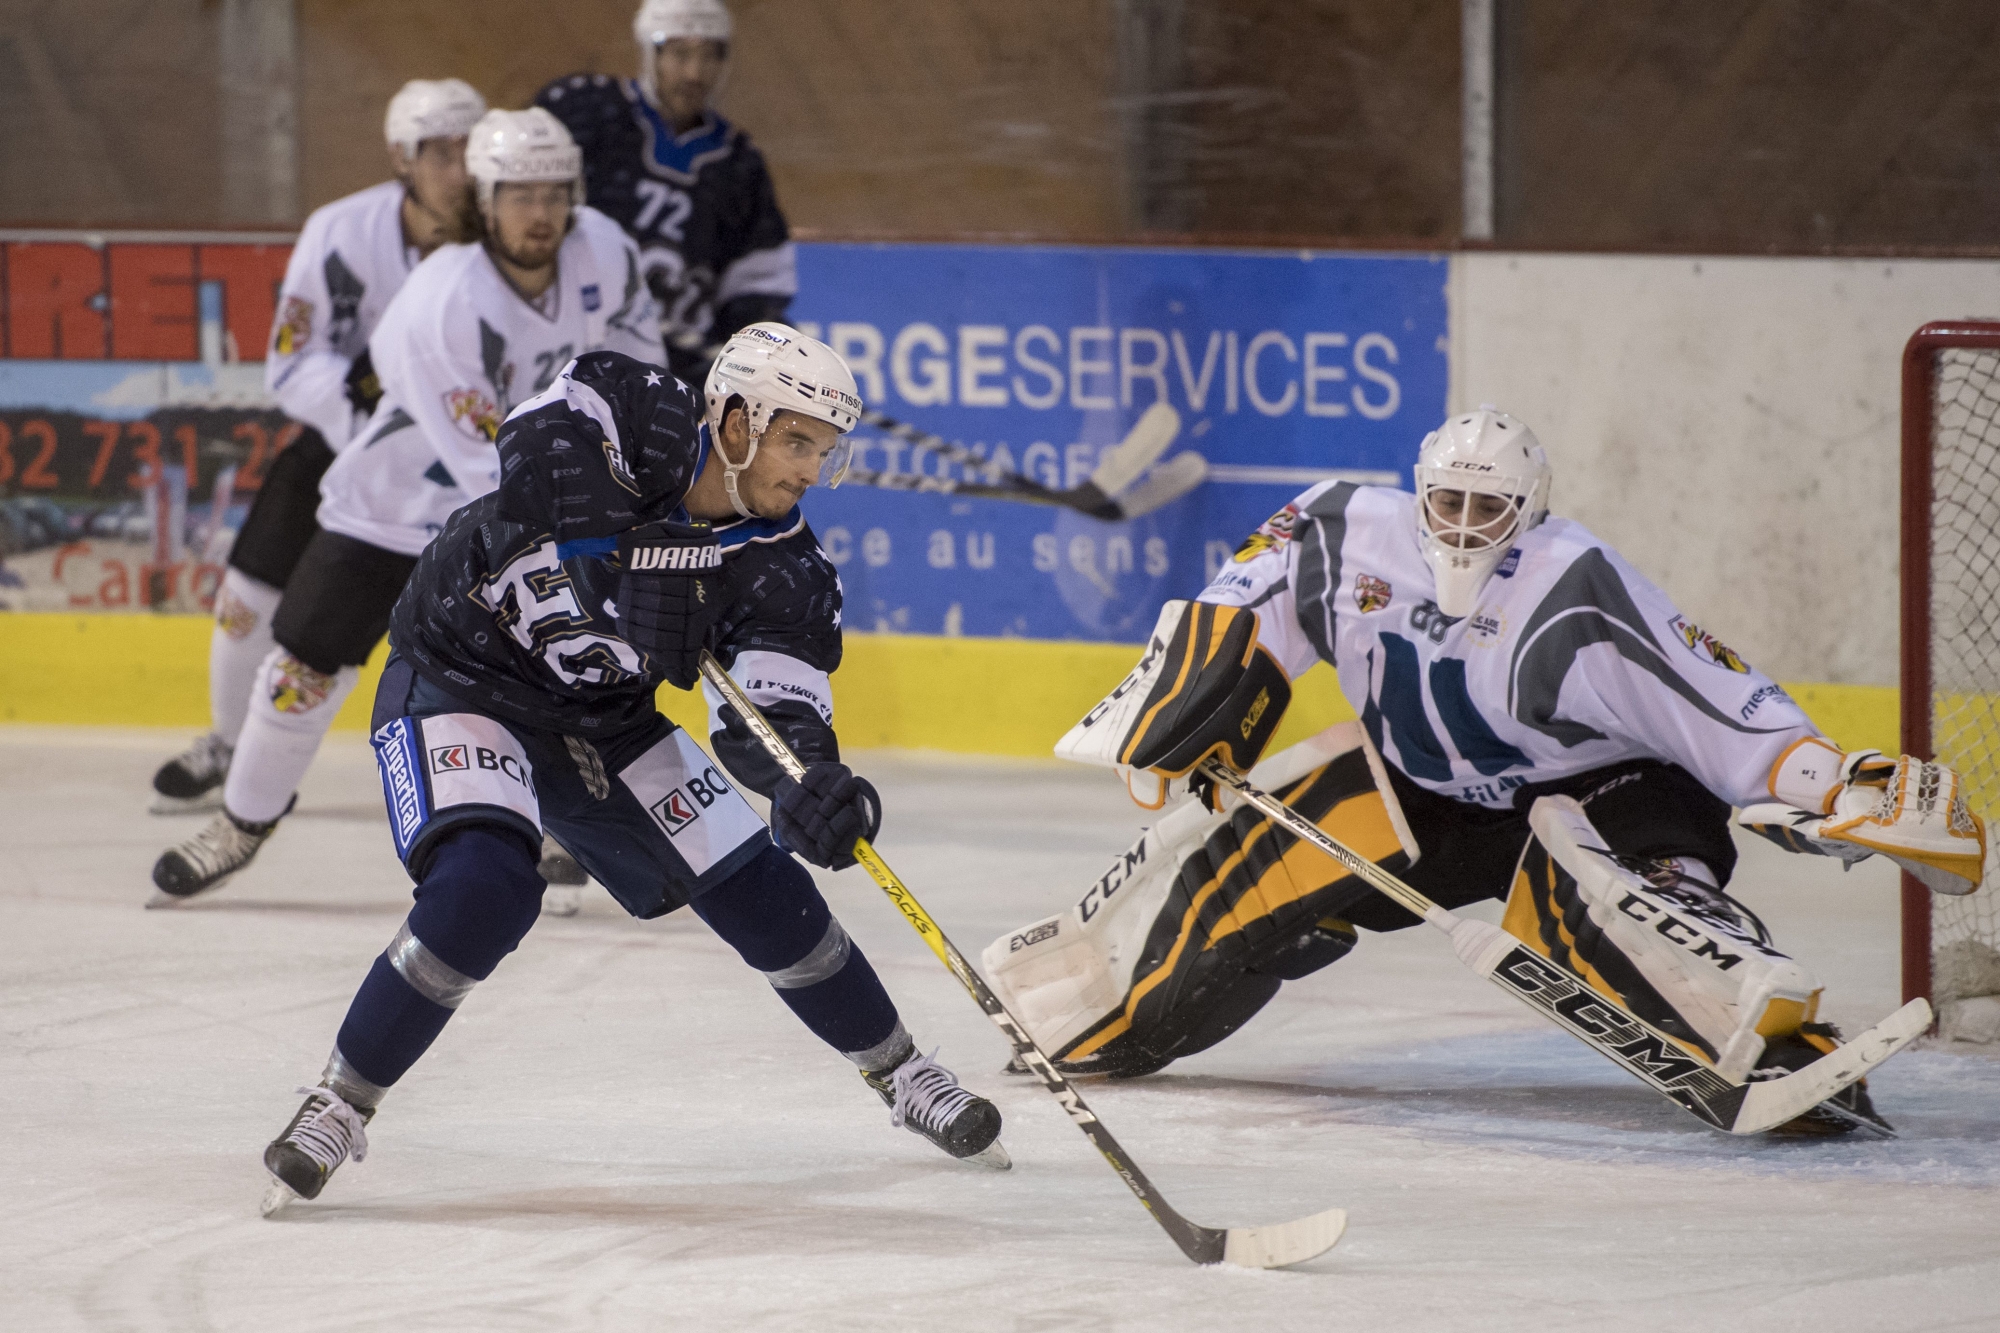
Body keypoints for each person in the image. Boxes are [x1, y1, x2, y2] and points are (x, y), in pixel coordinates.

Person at [992, 407, 1987, 1136]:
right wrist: (1177, 719)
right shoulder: (1341, 530)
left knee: (1611, 905)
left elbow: (1712, 695)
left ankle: (1774, 1049)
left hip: (1603, 792)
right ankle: (1088, 1004)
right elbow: (1238, 608)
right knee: (1257, 844)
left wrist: (1831, 784)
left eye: (1490, 505)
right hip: (1420, 792)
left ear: (1529, 510)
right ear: (1418, 490)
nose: (1465, 522)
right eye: (1449, 500)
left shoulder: (1576, 581)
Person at [259, 330, 1007, 1210]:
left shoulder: (783, 568)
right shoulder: (641, 409)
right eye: (797, 441)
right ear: (735, 420)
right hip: (461, 674)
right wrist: (613, 562)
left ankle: (903, 1072)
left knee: (760, 887)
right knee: (483, 888)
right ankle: (340, 1100)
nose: (811, 470)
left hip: (601, 723)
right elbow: (534, 444)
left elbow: (772, 710)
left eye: (825, 451)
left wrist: (805, 779)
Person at [149, 108, 660, 903]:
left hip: (531, 508)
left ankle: (565, 823)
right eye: (519, 194)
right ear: (483, 201)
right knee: (300, 672)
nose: (540, 213)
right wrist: (592, 524)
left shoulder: (607, 252)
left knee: (567, 673)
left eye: (555, 193)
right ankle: (241, 823)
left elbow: (639, 375)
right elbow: (481, 464)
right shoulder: (443, 300)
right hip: (396, 508)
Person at [149, 79, 486, 814]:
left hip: (461, 465)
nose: (458, 168)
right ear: (403, 157)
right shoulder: (339, 231)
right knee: (246, 600)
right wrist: (362, 433)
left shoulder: (510, 239)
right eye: (440, 151)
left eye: (470, 149)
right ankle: (229, 743)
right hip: (344, 444)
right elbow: (293, 361)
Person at [536, 0, 794, 388]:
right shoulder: (584, 114)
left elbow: (755, 287)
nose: (694, 73)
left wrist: (753, 356)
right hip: (563, 348)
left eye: (709, 56)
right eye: (680, 54)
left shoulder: (740, 165)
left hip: (674, 376)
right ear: (649, 53)